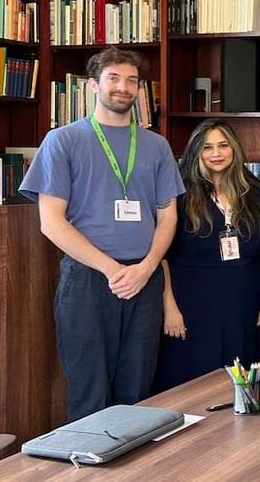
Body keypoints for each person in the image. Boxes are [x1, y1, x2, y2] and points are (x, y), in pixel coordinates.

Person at [19, 46, 185, 421]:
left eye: (131, 80)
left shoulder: (156, 145)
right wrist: (113, 270)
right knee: (88, 389)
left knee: (138, 389)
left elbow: (168, 217)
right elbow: (51, 222)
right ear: (93, 85)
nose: (123, 87)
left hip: (144, 278)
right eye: (114, 78)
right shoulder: (62, 140)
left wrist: (145, 269)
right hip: (89, 280)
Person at [155, 119, 260, 391]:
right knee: (191, 379)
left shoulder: (255, 192)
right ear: (195, 153)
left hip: (243, 303)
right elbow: (161, 254)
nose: (216, 153)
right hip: (191, 304)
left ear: (233, 148)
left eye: (223, 145)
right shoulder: (180, 193)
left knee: (239, 380)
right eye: (207, 147)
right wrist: (169, 308)